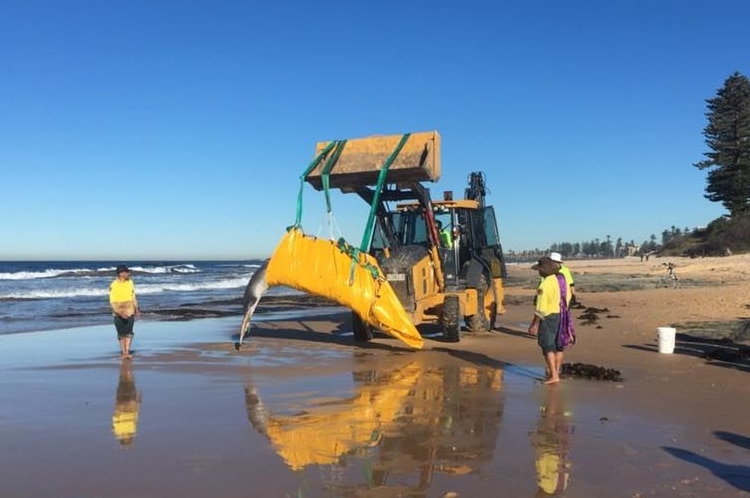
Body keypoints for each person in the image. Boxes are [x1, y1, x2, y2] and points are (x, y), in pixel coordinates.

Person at [528, 256, 571, 385]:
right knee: (559, 346)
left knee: (547, 346)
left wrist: (534, 324)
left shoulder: (544, 284)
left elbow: (540, 309)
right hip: (562, 315)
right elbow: (568, 298)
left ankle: (554, 375)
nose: (538, 272)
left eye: (539, 270)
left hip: (549, 318)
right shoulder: (561, 280)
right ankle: (556, 372)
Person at [109, 264, 139, 359]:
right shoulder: (114, 285)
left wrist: (136, 308)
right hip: (118, 310)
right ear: (121, 273)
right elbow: (112, 301)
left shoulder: (130, 282)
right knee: (121, 333)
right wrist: (119, 312)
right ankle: (123, 352)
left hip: (129, 309)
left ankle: (127, 351)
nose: (128, 273)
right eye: (126, 272)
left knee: (129, 332)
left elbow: (133, 296)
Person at [111, 360, 142, 447]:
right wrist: (116, 406)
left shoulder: (131, 431)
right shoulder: (118, 432)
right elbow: (115, 418)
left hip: (127, 405)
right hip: (122, 405)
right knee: (123, 384)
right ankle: (125, 369)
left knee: (128, 384)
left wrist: (138, 402)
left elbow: (135, 417)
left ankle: (126, 369)